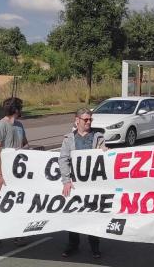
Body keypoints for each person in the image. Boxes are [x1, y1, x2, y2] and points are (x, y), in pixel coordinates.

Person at [59, 108, 107, 259]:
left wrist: (105, 151)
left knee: (92, 215)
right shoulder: (69, 138)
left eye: (90, 119)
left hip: (93, 184)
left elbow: (102, 153)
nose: (88, 122)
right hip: (75, 184)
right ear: (77, 120)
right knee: (74, 215)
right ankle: (73, 244)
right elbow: (63, 159)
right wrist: (66, 181)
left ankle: (94, 246)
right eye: (86, 119)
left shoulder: (97, 136)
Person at [0, 97, 29, 251]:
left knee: (17, 204)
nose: (22, 110)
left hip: (18, 173)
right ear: (16, 110)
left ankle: (18, 234)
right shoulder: (1, 125)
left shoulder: (19, 125)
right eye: (21, 107)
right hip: (4, 173)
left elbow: (25, 143)